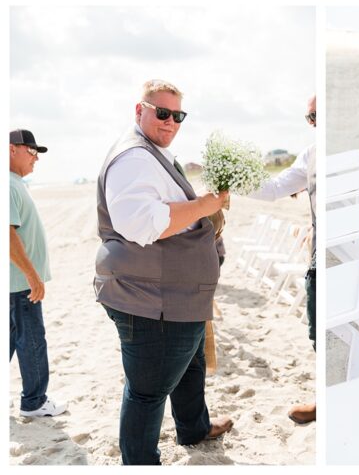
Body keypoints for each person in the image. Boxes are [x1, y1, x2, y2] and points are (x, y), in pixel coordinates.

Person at [95, 79, 232, 465]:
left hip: (175, 296)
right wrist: (204, 205)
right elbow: (141, 224)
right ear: (139, 110)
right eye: (162, 112)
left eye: (178, 115)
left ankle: (194, 427)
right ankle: (140, 463)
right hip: (151, 299)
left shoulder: (152, 153)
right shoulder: (133, 158)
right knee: (148, 389)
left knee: (191, 362)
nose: (170, 121)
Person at [246, 94, 317, 424]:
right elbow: (274, 189)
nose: (315, 122)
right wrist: (234, 179)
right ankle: (323, 398)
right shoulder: (310, 154)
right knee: (317, 329)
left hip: (342, 247)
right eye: (310, 118)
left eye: (319, 115)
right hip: (320, 253)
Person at [9, 129, 67, 418]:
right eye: (31, 152)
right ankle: (34, 402)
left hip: (15, 282)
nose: (35, 159)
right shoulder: (7, 184)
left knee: (11, 338)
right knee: (32, 340)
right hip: (19, 283)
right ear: (11, 150)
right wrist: (32, 276)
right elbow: (6, 236)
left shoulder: (14, 183)